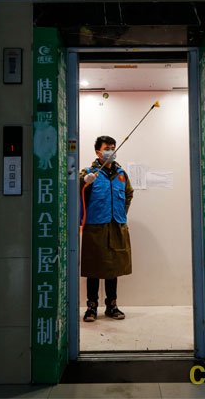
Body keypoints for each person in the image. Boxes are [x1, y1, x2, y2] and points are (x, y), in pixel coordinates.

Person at [80, 135, 134, 322]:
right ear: (98, 152)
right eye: (107, 148)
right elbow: (77, 192)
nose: (111, 151)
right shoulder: (89, 173)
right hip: (95, 228)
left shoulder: (121, 174)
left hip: (116, 226)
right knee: (93, 268)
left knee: (113, 267)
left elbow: (128, 194)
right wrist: (84, 181)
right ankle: (91, 307)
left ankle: (112, 305)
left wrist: (121, 213)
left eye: (113, 148)